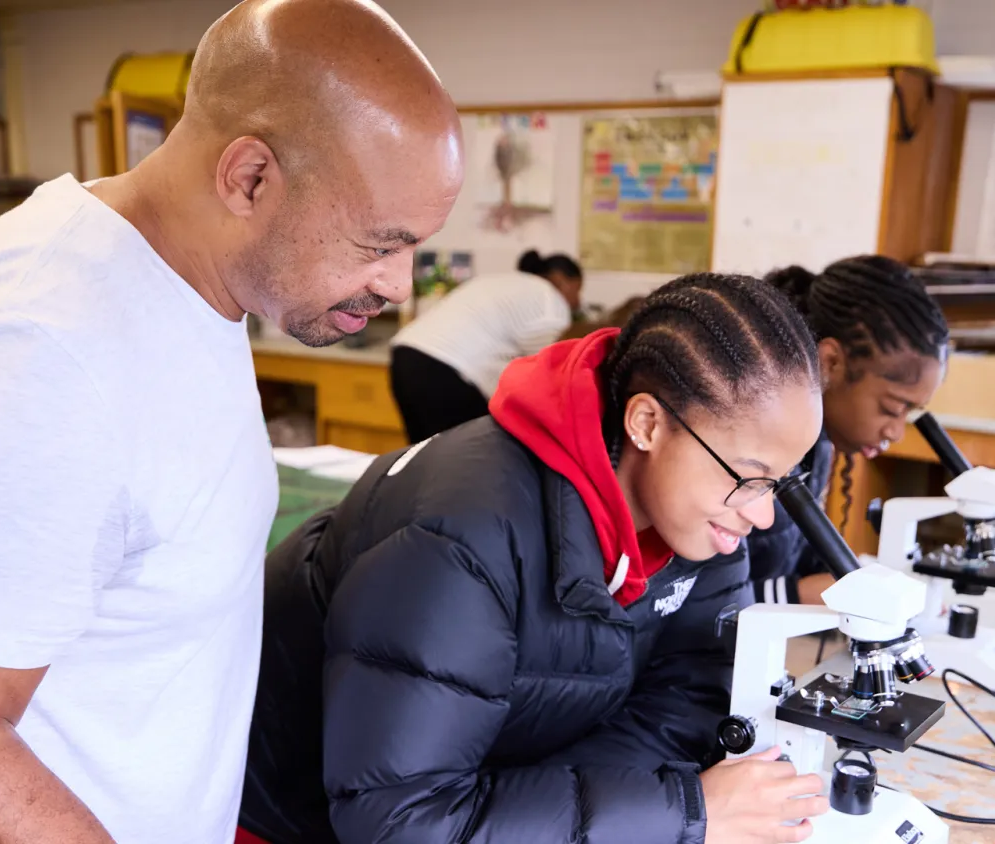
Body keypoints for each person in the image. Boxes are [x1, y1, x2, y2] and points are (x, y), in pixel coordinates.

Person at [0, 2, 462, 842]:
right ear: (249, 177)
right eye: (377, 244)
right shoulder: (46, 352)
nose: (400, 285)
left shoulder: (189, 282)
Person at [241, 274, 831, 844]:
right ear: (647, 423)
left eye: (779, 483)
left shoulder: (705, 524)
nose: (763, 517)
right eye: (750, 479)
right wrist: (682, 812)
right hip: (291, 820)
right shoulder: (460, 537)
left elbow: (685, 699)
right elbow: (404, 820)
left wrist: (624, 814)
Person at [745, 256, 950, 607]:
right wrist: (804, 595)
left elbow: (797, 559)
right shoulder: (747, 444)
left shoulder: (817, 443)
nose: (897, 431)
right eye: (891, 408)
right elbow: (698, 608)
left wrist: (858, 573)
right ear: (831, 363)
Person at [389, 249, 583, 440]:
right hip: (447, 370)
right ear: (559, 280)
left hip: (406, 355)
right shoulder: (550, 299)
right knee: (461, 459)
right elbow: (548, 373)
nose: (577, 302)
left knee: (421, 455)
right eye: (577, 290)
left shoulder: (499, 281)